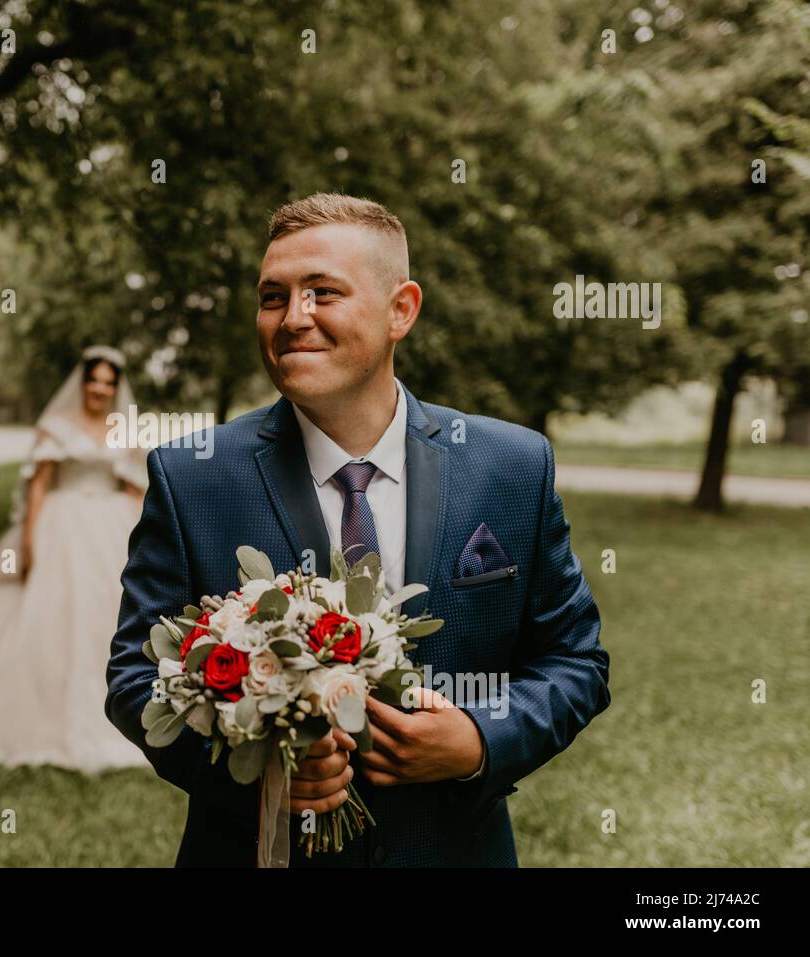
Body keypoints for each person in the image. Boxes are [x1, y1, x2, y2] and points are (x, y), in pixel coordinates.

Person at [106, 193, 610, 866]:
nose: (292, 319)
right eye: (272, 296)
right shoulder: (191, 477)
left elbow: (575, 660)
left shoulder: (513, 467)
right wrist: (259, 772)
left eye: (322, 292)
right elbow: (136, 681)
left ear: (402, 309)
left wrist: (479, 739)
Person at [0, 345, 151, 772]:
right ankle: (14, 716)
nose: (99, 388)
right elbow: (38, 485)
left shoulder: (122, 428)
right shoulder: (57, 425)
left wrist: (145, 534)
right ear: (82, 383)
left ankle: (117, 710)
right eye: (93, 380)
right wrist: (28, 538)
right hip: (61, 521)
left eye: (108, 382)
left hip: (109, 525)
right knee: (43, 613)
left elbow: (133, 487)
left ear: (116, 389)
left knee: (109, 613)